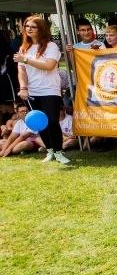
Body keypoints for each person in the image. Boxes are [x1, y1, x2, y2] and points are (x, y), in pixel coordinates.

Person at [13, 16, 70, 164]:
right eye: (27, 26)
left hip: (50, 90)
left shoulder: (51, 46)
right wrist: (23, 88)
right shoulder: (23, 48)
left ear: (41, 29)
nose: (29, 29)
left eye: (33, 26)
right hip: (32, 92)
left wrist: (25, 59)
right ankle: (50, 151)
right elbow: (22, 72)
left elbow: (49, 65)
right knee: (40, 123)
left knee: (52, 121)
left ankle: (59, 152)